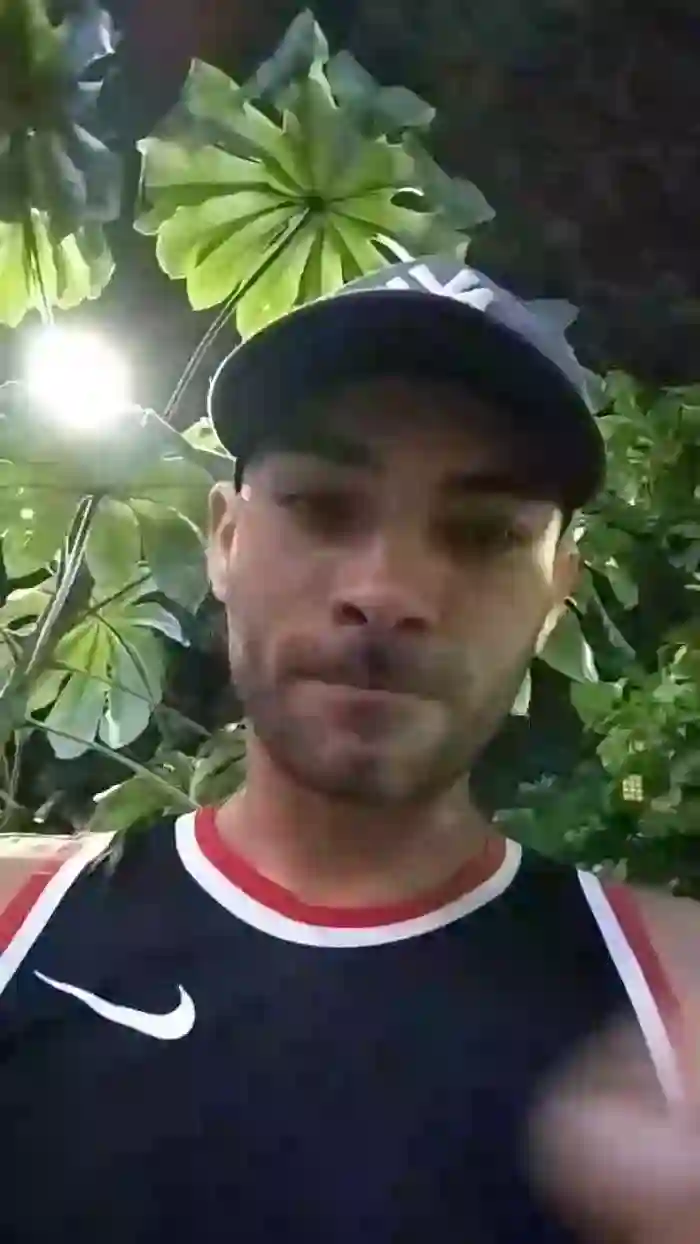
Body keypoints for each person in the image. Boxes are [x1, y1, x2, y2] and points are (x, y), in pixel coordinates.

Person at [0, 256, 698, 1242]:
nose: (387, 591)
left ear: (556, 593)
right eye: (323, 507)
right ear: (224, 538)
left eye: (484, 533)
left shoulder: (677, 1008)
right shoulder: (17, 927)